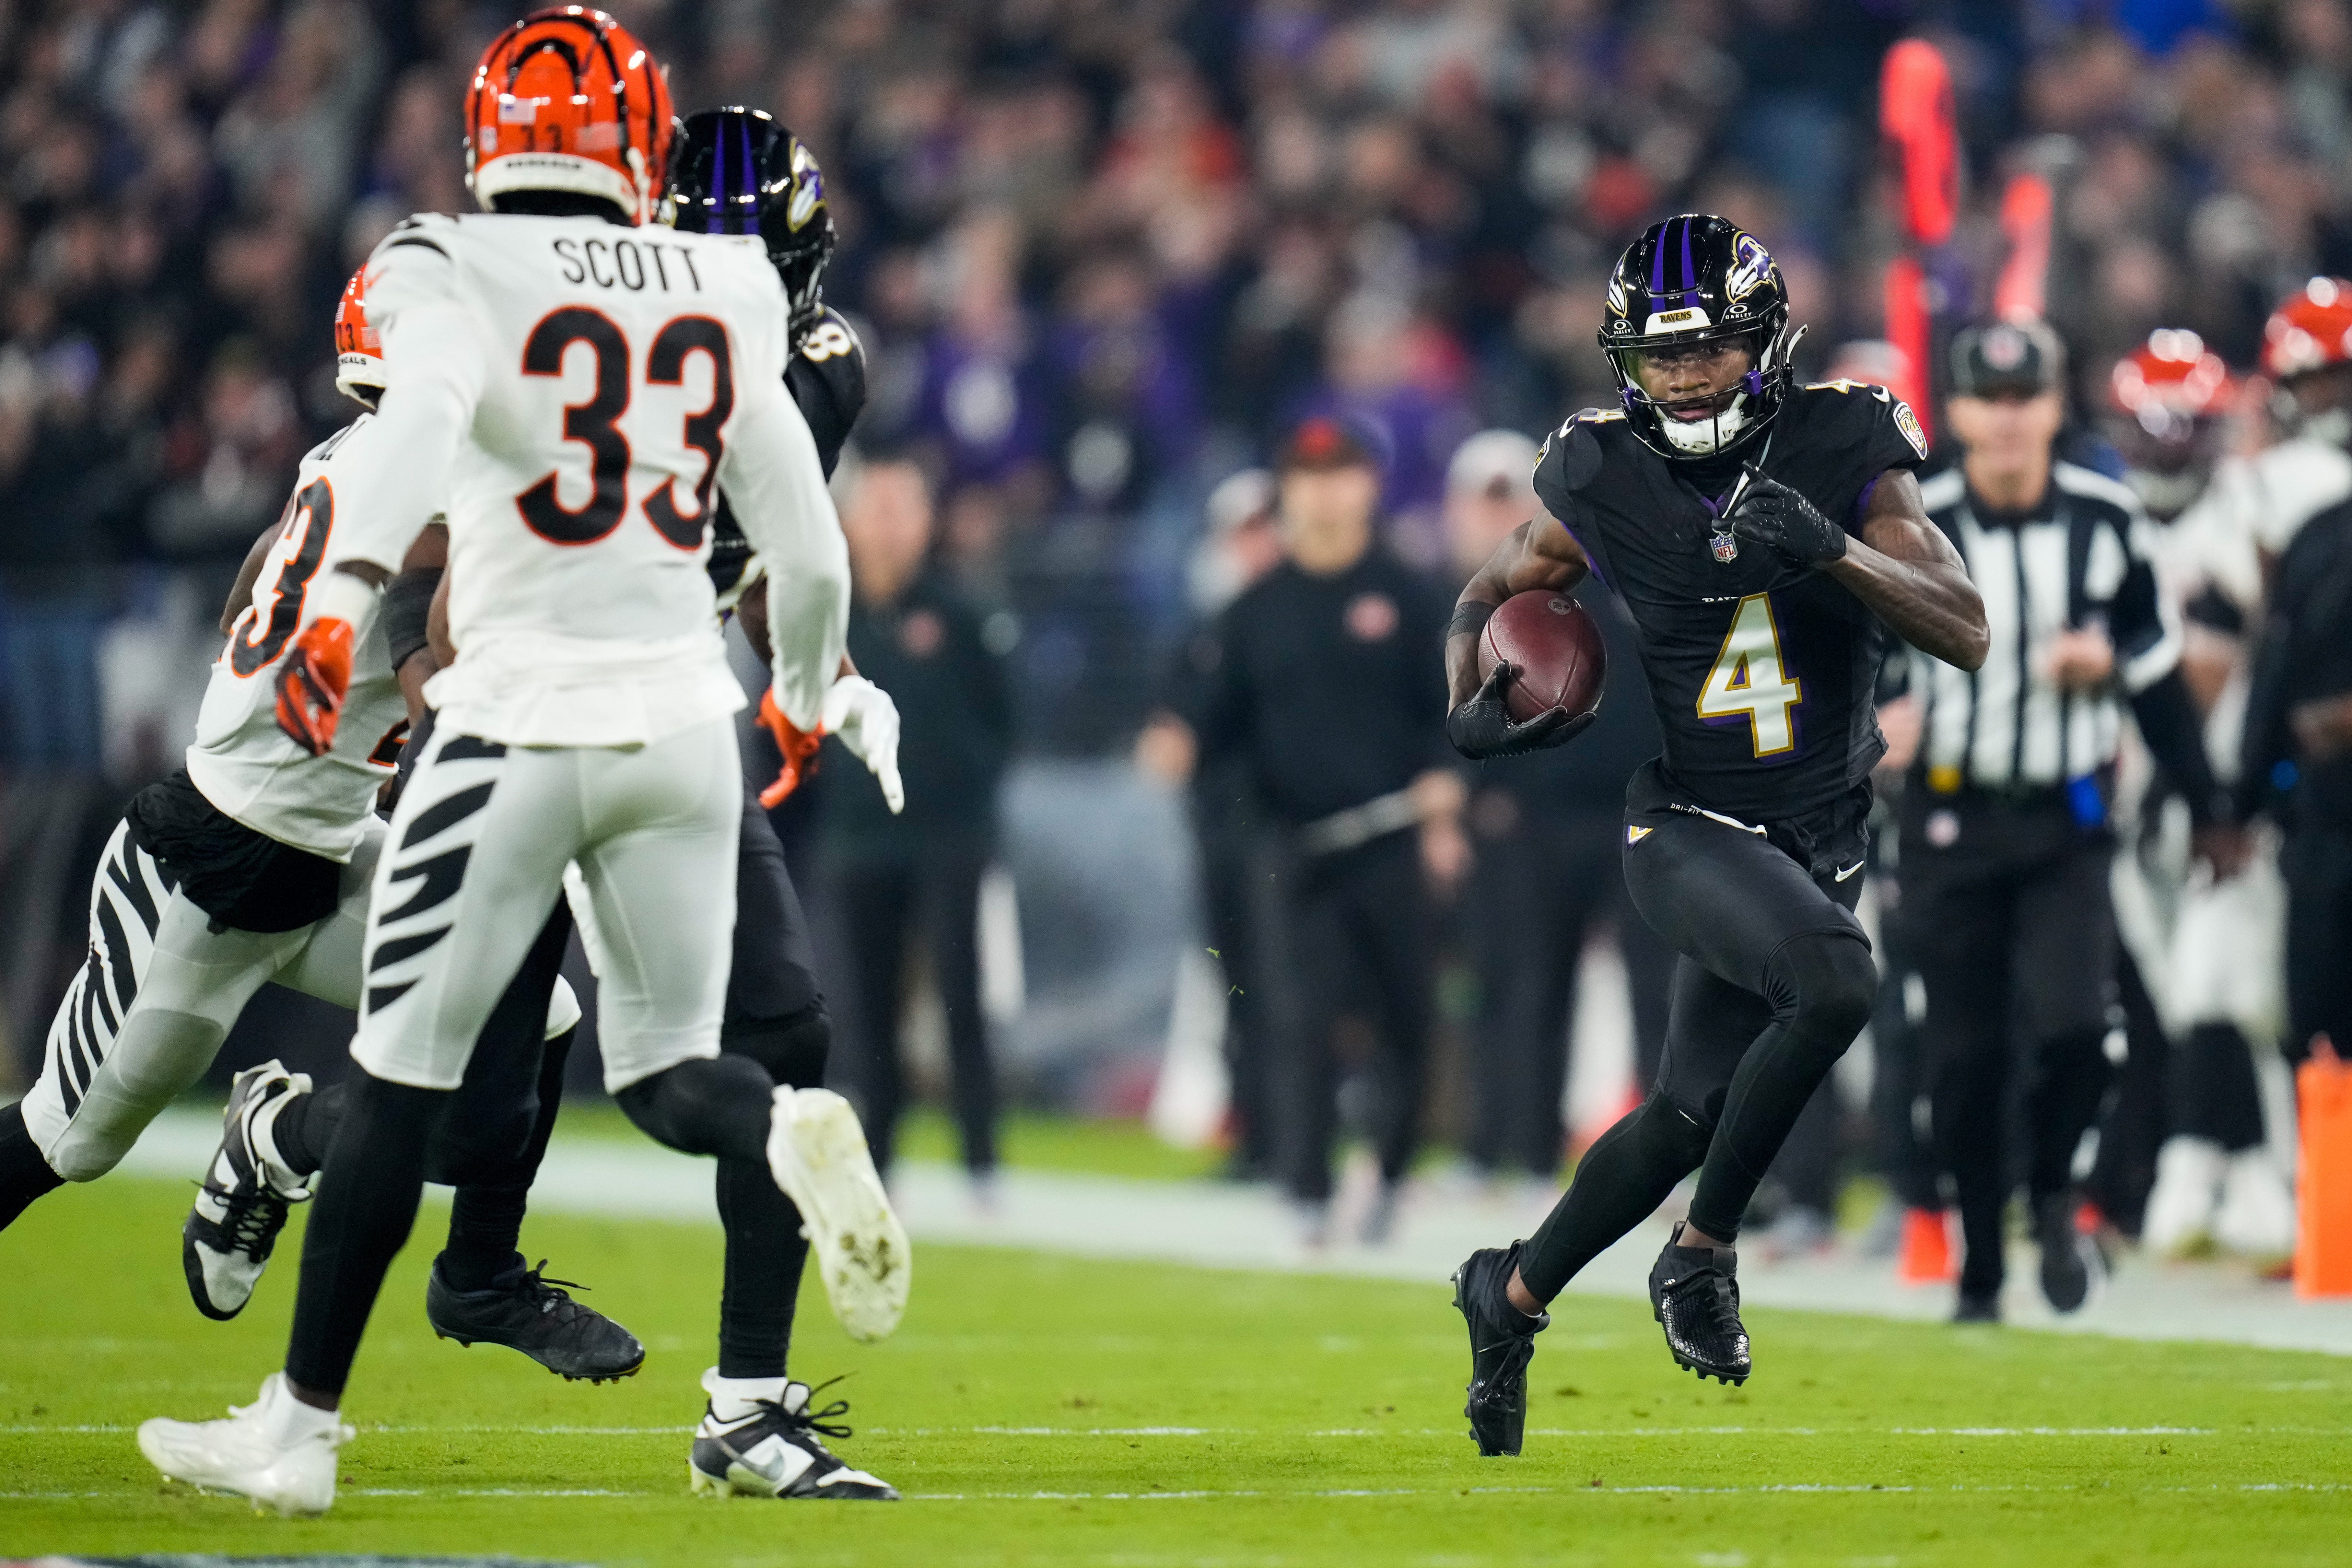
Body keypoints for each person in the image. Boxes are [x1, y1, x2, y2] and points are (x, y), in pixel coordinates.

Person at [134, 15, 901, 1513]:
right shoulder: (728, 297)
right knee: (650, 1073)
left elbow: (413, 444)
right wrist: (817, 687)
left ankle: (329, 1416)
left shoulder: (454, 261)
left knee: (437, 1066)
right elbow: (797, 549)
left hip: (518, 713)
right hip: (668, 716)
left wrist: (339, 613)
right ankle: (367, 1187)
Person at [0, 273, 622, 1376]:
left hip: (326, 847)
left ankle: (462, 1262)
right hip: (211, 873)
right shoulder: (430, 484)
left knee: (539, 1016)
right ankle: (274, 1142)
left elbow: (259, 581)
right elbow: (404, 611)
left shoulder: (347, 458)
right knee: (67, 1140)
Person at [1443, 214, 1986, 1456]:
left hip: (1821, 827)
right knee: (1834, 980)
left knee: (1687, 1113)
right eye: (1657, 358)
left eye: (1706, 352)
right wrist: (1463, 703)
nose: (1682, 379)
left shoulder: (1845, 439)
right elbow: (1491, 594)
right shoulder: (1596, 470)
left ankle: (1509, 1293)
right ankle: (1701, 1253)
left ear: (1765, 341)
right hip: (1689, 818)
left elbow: (1963, 627)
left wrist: (1836, 550)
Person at [1905, 319, 2241, 1322]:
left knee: (2079, 1031)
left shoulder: (2108, 520)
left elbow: (2158, 682)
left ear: (2055, 406)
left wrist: (2211, 807)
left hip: (2065, 819)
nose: (2007, 421)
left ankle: (2053, 1194)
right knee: (1964, 1057)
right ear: (1957, 411)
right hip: (1947, 821)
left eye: (2025, 399)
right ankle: (1977, 1256)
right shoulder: (1914, 522)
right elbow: (1857, 668)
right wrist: (1878, 731)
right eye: (1988, 400)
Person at [1174, 415, 1463, 1244]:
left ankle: (1394, 1171)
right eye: (1307, 476)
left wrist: (1444, 783)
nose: (1324, 493)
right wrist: (1179, 738)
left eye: (1339, 474)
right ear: (1288, 491)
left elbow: (1448, 710)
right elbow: (1212, 720)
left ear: (1367, 485)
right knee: (1298, 1017)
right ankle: (1305, 1184)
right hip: (1294, 849)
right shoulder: (1254, 608)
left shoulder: (1409, 595)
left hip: (1389, 838)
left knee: (1405, 1016)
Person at [1440, 430, 1672, 1189]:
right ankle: (1512, 1149)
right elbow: (1447, 714)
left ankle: (1662, 1164)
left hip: (1637, 811)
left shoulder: (1636, 573)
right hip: (1532, 817)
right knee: (1523, 985)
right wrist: (1483, 793)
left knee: (1659, 995)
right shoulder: (1483, 599)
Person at [819, 450, 1015, 1186]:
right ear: (849, 519)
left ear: (928, 520)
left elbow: (1002, 722)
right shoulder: (828, 610)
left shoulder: (961, 611)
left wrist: (969, 810)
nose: (891, 523)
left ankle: (980, 1161)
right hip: (858, 836)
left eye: (905, 506)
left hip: (947, 839)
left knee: (962, 995)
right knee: (868, 1006)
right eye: (878, 506)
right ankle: (881, 1159)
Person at [1138, 467, 1284, 1178]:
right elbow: (1168, 735)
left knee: (1293, 986)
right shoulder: (1208, 631)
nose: (1257, 545)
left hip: (1289, 832)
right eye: (1246, 531)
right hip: (1224, 831)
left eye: (1266, 527)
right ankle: (1255, 1133)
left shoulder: (1288, 620)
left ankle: (1294, 1133)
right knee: (1240, 987)